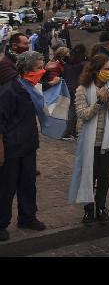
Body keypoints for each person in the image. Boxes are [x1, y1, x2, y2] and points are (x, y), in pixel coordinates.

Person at [0, 52, 49, 241]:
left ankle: (27, 217)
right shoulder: (9, 90)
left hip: (28, 144)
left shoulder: (31, 88)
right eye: (38, 67)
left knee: (28, 184)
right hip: (11, 146)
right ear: (26, 70)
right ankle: (1, 223)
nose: (42, 70)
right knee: (6, 187)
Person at [71, 54, 109, 223]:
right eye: (106, 69)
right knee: (89, 174)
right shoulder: (82, 89)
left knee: (104, 175)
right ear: (95, 71)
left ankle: (101, 206)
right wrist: (99, 102)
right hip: (89, 140)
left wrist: (108, 100)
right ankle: (88, 208)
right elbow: (82, 114)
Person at [62, 44, 88, 141]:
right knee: (73, 111)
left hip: (68, 87)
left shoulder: (67, 63)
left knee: (72, 111)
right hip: (77, 88)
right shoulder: (83, 64)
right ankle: (68, 132)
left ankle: (71, 131)